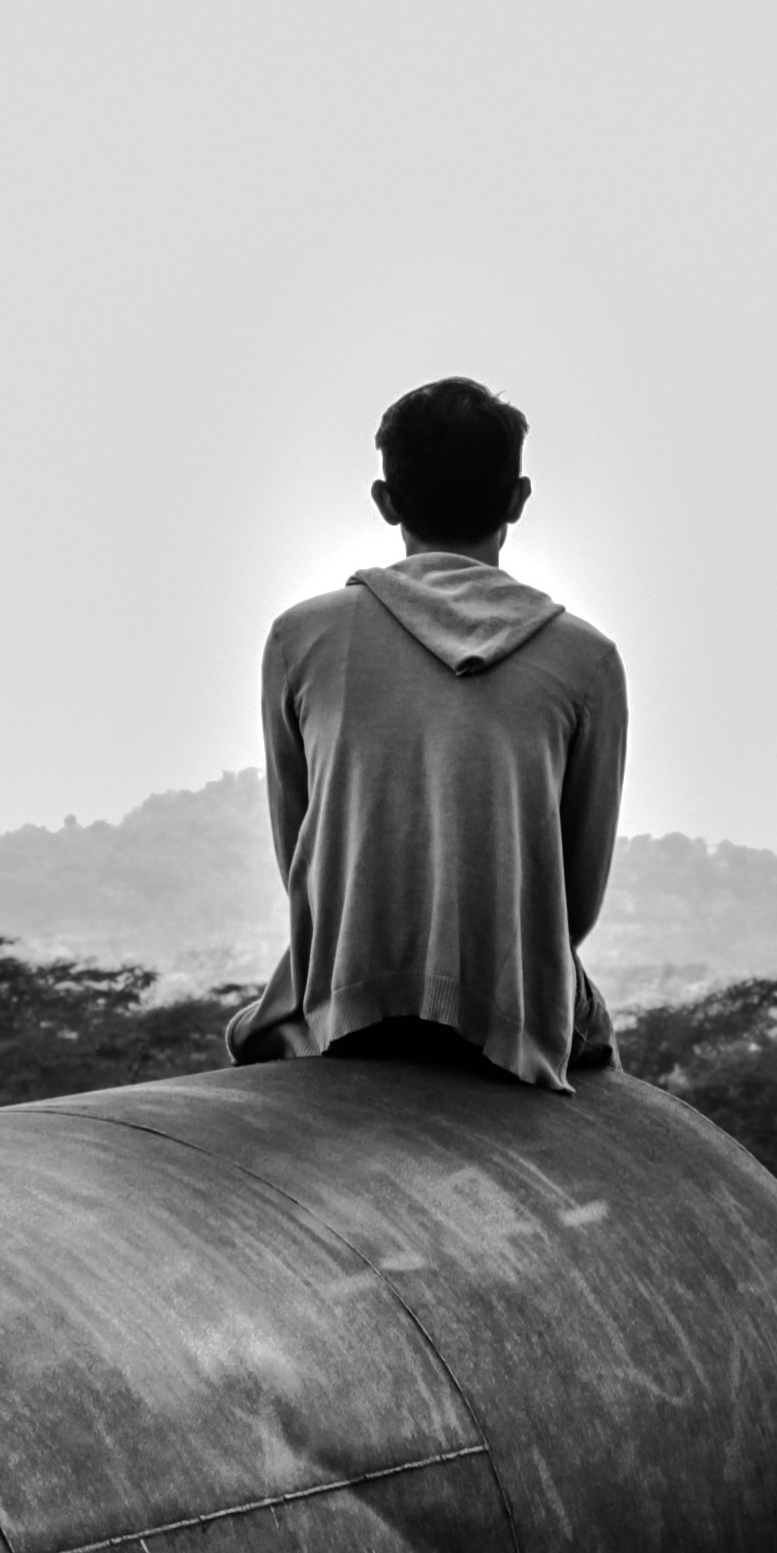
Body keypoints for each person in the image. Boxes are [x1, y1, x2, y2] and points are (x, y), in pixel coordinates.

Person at [227, 377, 628, 1092]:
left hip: (344, 1002)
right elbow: (576, 897)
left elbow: (301, 856)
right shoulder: (585, 659)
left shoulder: (301, 637)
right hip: (511, 1020)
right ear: (518, 499)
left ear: (385, 501)